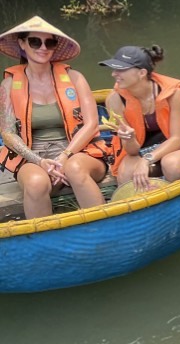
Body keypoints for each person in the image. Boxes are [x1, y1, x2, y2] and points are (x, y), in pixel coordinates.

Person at [0, 15, 105, 218]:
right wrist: (40, 161)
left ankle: (103, 231)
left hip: (77, 151)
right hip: (32, 157)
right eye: (35, 41)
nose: (43, 47)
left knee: (74, 169)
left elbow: (91, 124)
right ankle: (43, 242)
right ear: (22, 44)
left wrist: (64, 156)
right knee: (36, 182)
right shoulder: (8, 86)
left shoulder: (75, 78)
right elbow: (7, 133)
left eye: (50, 42)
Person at [100, 45, 180, 191]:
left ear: (142, 73)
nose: (113, 74)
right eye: (114, 69)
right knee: (125, 175)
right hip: (143, 148)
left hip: (179, 144)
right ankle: (148, 205)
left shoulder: (172, 93)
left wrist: (146, 160)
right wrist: (128, 138)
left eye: (121, 70)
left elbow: (176, 139)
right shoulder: (115, 100)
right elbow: (132, 151)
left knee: (172, 166)